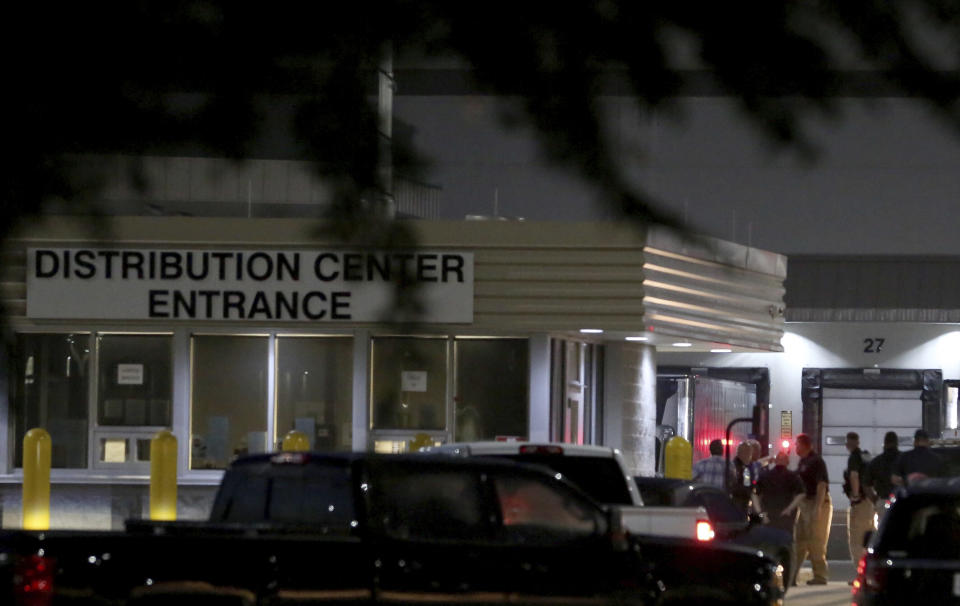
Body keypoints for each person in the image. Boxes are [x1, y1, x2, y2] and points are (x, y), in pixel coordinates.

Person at [756, 451, 804, 588]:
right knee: (788, 550)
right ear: (788, 462)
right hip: (785, 519)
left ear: (775, 461)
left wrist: (760, 512)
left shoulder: (764, 476)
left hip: (768, 518)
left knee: (767, 548)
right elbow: (801, 494)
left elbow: (755, 495)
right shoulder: (793, 476)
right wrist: (789, 508)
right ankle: (789, 580)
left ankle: (767, 578)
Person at [794, 432, 832, 586]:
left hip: (817, 502)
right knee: (800, 541)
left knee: (816, 540)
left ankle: (820, 576)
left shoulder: (816, 461)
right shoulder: (803, 462)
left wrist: (817, 507)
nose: (795, 447)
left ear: (804, 445)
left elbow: (822, 484)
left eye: (797, 444)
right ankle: (792, 575)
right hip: (804, 504)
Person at [844, 431, 874, 570]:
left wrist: (855, 495)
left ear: (849, 444)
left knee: (856, 540)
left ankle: (860, 573)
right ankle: (870, 569)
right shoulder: (866, 456)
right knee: (868, 538)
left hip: (860, 502)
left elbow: (854, 476)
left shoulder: (854, 458)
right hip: (869, 502)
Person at [867, 431, 900, 518]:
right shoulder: (904, 459)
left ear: (884, 443)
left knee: (884, 529)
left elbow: (866, 484)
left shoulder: (876, 461)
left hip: (884, 500)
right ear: (897, 443)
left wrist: (875, 500)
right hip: (901, 501)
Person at [731, 441, 761, 515]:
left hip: (740, 501)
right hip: (739, 501)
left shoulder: (740, 466)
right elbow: (746, 484)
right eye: (749, 453)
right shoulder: (740, 468)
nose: (750, 456)